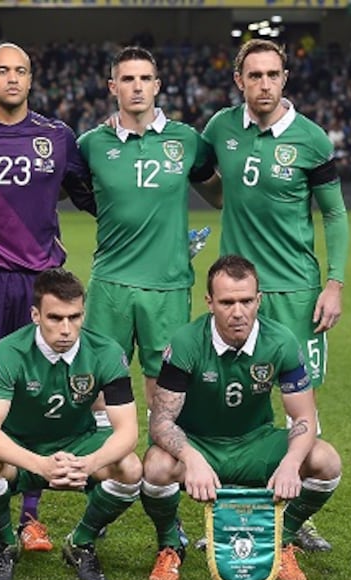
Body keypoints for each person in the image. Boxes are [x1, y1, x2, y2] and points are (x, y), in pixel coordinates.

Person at [0, 42, 96, 555]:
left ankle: (30, 515)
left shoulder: (58, 137)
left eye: (21, 71)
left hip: (39, 280)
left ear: (32, 80)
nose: (12, 78)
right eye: (1, 71)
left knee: (31, 392)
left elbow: (89, 195)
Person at [203, 39, 349, 552]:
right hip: (238, 293)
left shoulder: (310, 139)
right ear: (238, 79)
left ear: (285, 78)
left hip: (297, 292)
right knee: (236, 398)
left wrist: (335, 282)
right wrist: (226, 202)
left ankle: (294, 519)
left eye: (273, 74)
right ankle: (234, 510)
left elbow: (334, 213)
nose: (264, 84)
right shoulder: (220, 128)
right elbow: (204, 179)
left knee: (299, 407)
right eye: (254, 75)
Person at [142, 255, 342, 580]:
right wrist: (191, 458)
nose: (238, 312)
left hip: (255, 444)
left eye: (247, 301)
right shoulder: (186, 343)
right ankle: (170, 546)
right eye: (227, 302)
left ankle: (282, 539)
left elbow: (304, 416)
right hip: (201, 444)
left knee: (326, 460)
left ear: (259, 299)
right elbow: (161, 422)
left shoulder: (281, 342)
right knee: (155, 466)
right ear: (210, 302)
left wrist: (291, 463)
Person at [0, 268, 142, 580]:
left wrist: (89, 463)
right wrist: (40, 465)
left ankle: (81, 542)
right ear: (35, 314)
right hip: (20, 445)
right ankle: (6, 545)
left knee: (130, 469)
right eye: (55, 318)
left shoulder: (106, 353)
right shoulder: (9, 352)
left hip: (79, 443)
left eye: (74, 318)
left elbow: (128, 431)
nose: (66, 329)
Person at [78, 46, 220, 412]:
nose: (137, 87)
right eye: (128, 79)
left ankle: (161, 461)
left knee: (165, 381)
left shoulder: (187, 141)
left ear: (157, 85)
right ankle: (107, 463)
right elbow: (57, 191)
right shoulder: (92, 144)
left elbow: (218, 194)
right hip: (111, 281)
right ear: (113, 87)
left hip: (168, 283)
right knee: (100, 377)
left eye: (144, 79)